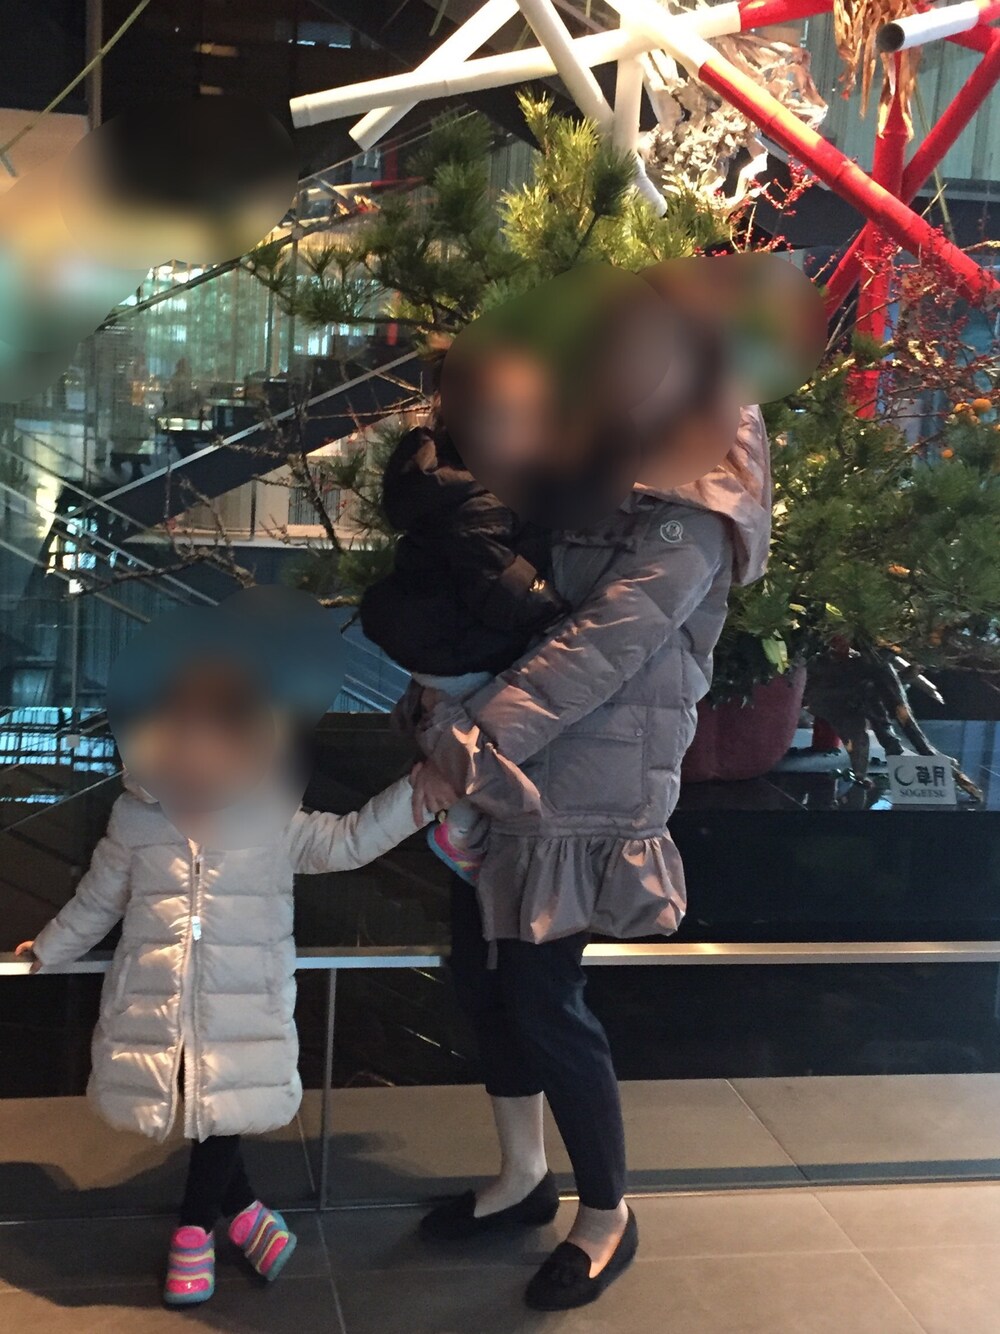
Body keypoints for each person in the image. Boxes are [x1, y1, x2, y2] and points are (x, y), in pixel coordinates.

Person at [409, 399, 772, 1311]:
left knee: (545, 999)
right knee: (484, 980)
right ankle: (522, 1176)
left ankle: (607, 1212)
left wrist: (464, 743)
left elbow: (599, 647)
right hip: (500, 768)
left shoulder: (697, 512)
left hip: (586, 784)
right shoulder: (574, 474)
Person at [15, 649, 433, 1309]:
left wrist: (417, 796)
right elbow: (100, 897)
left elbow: (346, 842)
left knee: (220, 1110)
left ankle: (193, 1229)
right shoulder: (137, 817)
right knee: (195, 1103)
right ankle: (243, 1212)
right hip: (155, 1000)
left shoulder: (270, 815)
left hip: (246, 1003)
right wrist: (50, 947)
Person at [360, 350, 567, 885]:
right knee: (499, 735)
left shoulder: (445, 478)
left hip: (436, 638)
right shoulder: (482, 498)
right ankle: (463, 830)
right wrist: (551, 607)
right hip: (458, 646)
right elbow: (497, 584)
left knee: (481, 727)